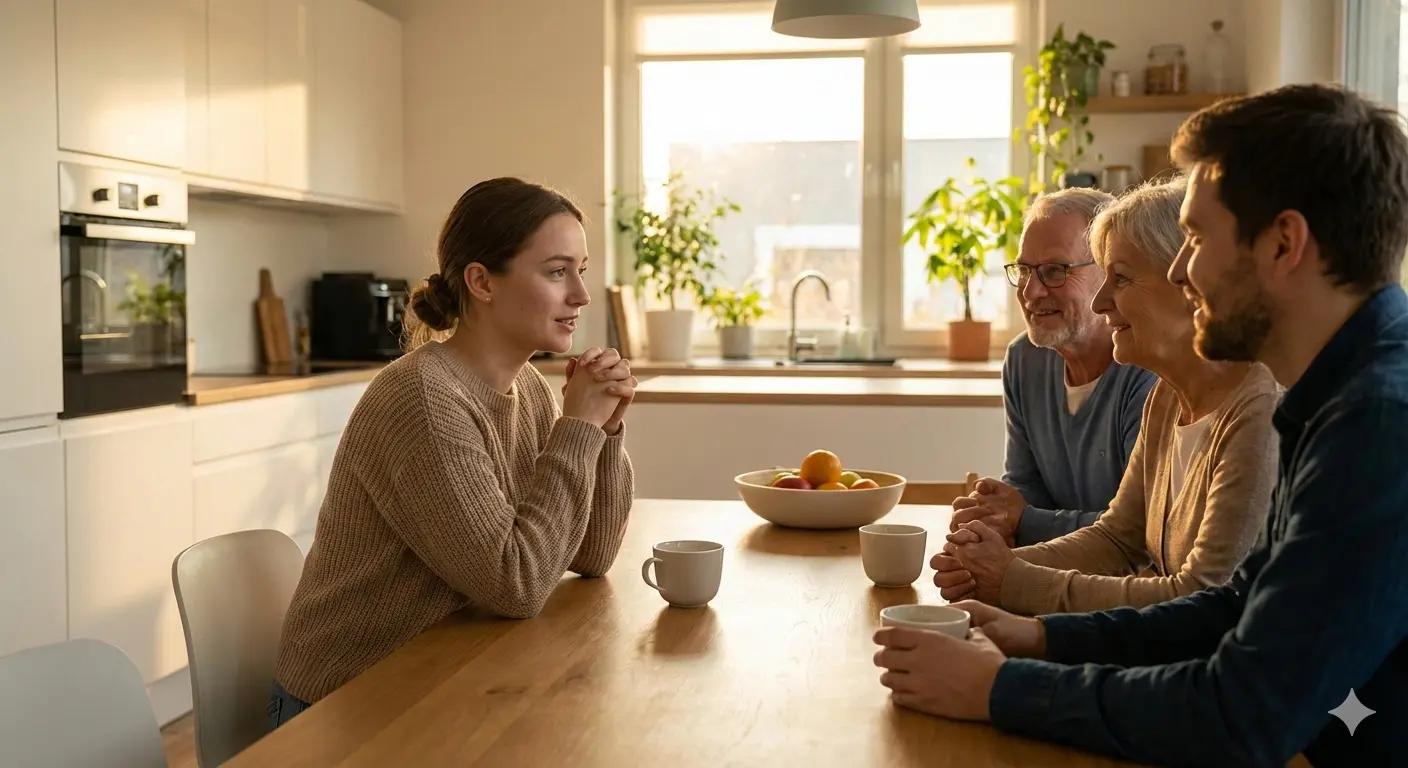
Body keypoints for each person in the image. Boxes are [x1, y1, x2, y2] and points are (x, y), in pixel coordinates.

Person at [874, 83, 1408, 767]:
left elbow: (1239, 711)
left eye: (1195, 237)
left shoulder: (1378, 426)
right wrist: (1040, 640)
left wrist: (1001, 688)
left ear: (1283, 244)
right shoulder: (1341, 397)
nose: (1183, 270)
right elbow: (1232, 609)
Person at [268, 177, 636, 726]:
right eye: (558, 271)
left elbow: (590, 555)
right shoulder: (422, 399)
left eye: (580, 270)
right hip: (341, 708)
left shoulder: (530, 389)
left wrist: (603, 433)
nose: (581, 295)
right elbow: (518, 584)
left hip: (439, 679)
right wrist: (578, 429)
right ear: (482, 282)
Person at [933, 177, 1279, 615]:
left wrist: (1012, 582)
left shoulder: (1258, 410)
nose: (1101, 302)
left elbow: (1200, 598)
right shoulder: (1170, 399)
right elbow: (1118, 538)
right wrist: (989, 568)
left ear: (1188, 281)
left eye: (1120, 278)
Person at [959, 188, 1157, 547]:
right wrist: (991, 520)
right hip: (1054, 575)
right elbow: (1026, 488)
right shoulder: (1025, 359)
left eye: (1054, 271)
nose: (1029, 292)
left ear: (1107, 275)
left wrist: (1023, 520)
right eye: (1023, 270)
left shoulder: (1148, 370)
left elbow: (1141, 532)